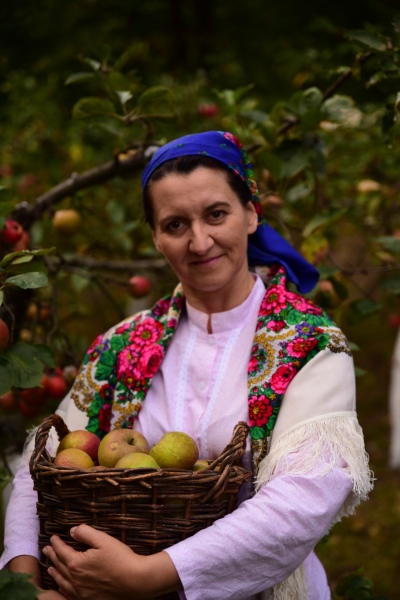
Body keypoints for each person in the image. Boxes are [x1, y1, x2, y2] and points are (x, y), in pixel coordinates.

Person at [1, 131, 373, 600]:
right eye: (175, 224)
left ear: (251, 214)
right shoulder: (123, 344)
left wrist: (147, 576)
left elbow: (302, 501)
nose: (199, 242)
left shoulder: (310, 343)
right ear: (156, 238)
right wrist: (25, 581)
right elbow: (40, 467)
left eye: (216, 214)